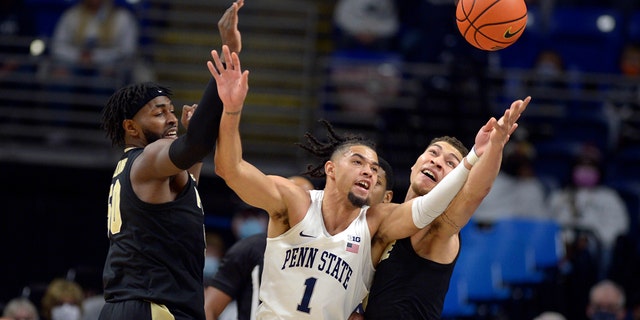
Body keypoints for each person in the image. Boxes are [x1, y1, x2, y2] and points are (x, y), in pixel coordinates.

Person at [208, 42, 529, 318]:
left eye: (374, 168)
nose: (368, 170)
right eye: (358, 161)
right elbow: (231, 169)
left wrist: (479, 155)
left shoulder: (385, 224)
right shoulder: (298, 202)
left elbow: (459, 199)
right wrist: (231, 110)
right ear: (331, 169)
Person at [97, 2, 243, 319]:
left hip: (143, 304)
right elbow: (195, 145)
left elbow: (187, 183)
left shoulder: (145, 169)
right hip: (151, 305)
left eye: (171, 110)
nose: (170, 119)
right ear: (131, 127)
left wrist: (193, 145)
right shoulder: (147, 158)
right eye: (158, 112)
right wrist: (229, 54)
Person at [204, 167, 394, 320]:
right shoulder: (251, 247)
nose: (298, 202)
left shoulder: (338, 247)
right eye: (292, 195)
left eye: (305, 197)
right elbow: (209, 308)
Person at [471, 138, 549, 225]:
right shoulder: (486, 182)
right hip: (488, 236)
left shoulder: (531, 188)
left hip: (518, 235)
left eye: (523, 161)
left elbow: (541, 225)